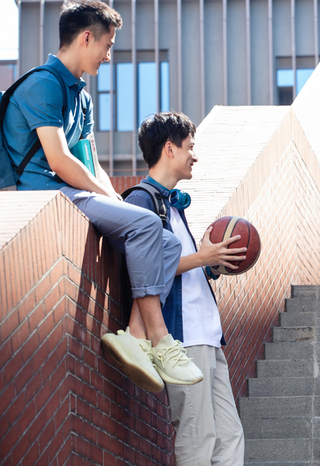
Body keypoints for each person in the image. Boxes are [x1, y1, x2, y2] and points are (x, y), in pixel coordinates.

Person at [2, 1, 202, 392]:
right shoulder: (44, 83)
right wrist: (115, 204)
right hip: (49, 195)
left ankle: (133, 336)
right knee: (146, 224)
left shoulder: (83, 98)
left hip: (76, 193)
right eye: (107, 46)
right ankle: (159, 340)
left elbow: (92, 165)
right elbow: (60, 160)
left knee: (163, 241)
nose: (109, 57)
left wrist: (119, 203)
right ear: (86, 37)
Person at [124, 112, 245, 465]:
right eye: (190, 147)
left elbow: (178, 271)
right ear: (169, 149)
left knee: (230, 435)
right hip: (182, 338)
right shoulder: (142, 201)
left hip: (208, 335)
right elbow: (142, 272)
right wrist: (200, 256)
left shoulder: (172, 205)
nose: (195, 155)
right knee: (198, 433)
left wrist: (210, 264)